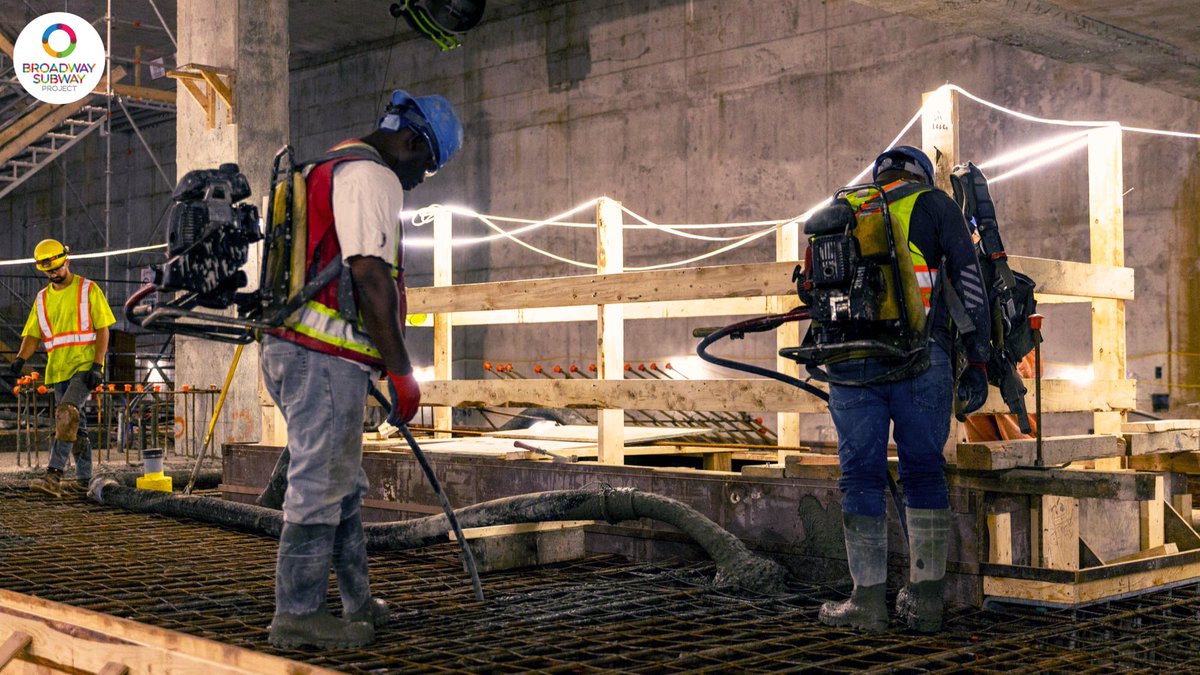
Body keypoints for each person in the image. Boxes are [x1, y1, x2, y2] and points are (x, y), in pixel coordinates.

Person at [260, 89, 463, 649]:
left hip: (295, 350)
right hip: (321, 358)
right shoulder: (372, 178)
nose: (422, 177)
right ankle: (296, 613)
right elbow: (370, 276)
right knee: (320, 485)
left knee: (342, 482)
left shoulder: (319, 171)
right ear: (409, 140)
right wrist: (402, 371)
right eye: (426, 162)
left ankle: (355, 602)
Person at [816, 146, 991, 634]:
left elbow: (813, 289)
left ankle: (866, 603)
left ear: (878, 176)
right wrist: (976, 359)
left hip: (850, 363)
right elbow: (970, 283)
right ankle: (927, 602)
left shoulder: (844, 210)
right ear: (922, 173)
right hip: (921, 358)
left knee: (861, 477)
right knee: (923, 472)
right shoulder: (937, 205)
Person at [12, 239, 113, 497]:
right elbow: (32, 335)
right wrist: (20, 359)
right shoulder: (43, 298)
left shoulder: (88, 289)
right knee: (75, 428)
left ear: (66, 261)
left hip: (84, 366)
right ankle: (83, 479)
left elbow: (103, 329)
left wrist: (97, 365)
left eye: (56, 268)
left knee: (67, 414)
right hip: (58, 370)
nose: (53, 274)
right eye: (48, 271)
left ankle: (53, 476)